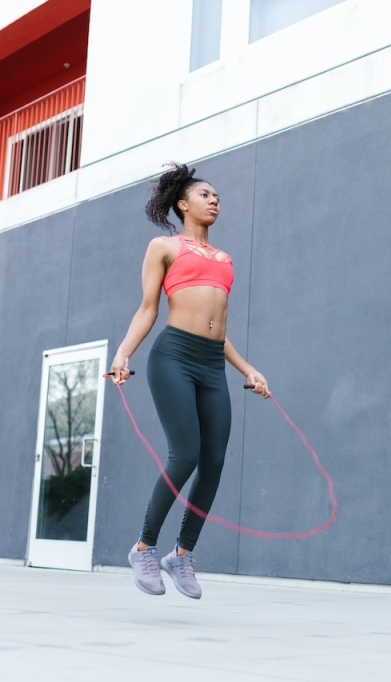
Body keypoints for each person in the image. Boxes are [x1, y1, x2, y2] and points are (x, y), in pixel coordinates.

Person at [110, 161, 270, 599]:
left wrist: (248, 368)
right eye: (205, 194)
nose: (214, 200)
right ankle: (144, 548)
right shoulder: (163, 246)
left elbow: (217, 328)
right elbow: (149, 309)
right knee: (186, 455)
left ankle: (181, 555)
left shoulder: (225, 259)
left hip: (212, 363)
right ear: (183, 203)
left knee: (214, 461)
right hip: (173, 356)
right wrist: (124, 354)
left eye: (218, 196)